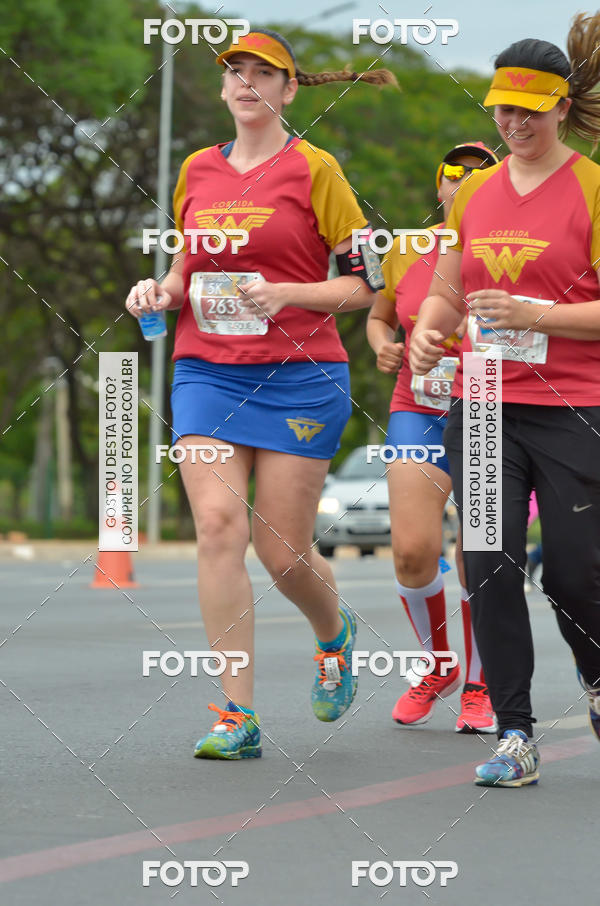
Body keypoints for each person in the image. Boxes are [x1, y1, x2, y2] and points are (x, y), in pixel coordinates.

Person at [125, 29, 397, 759]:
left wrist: (288, 294)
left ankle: (333, 639)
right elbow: (185, 268)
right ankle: (236, 715)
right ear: (223, 90)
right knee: (218, 527)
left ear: (286, 89)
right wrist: (159, 290)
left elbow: (366, 283)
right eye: (234, 71)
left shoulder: (316, 170)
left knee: (282, 553)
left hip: (301, 377)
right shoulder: (195, 171)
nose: (246, 81)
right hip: (206, 369)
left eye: (262, 73)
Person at [409, 13, 600, 786]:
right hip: (485, 401)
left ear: (560, 106)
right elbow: (448, 289)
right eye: (501, 108)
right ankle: (515, 734)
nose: (513, 122)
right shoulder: (476, 193)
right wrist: (429, 330)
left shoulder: (592, 187)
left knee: (576, 572)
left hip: (574, 405)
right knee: (488, 563)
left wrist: (541, 317)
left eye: (528, 109)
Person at [367, 142, 499, 734]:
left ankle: (480, 680)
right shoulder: (404, 249)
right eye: (455, 173)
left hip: (488, 406)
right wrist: (382, 346)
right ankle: (439, 662)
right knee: (413, 551)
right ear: (438, 185)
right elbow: (377, 315)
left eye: (482, 174)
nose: (466, 182)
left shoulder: (508, 250)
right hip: (416, 406)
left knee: (477, 553)